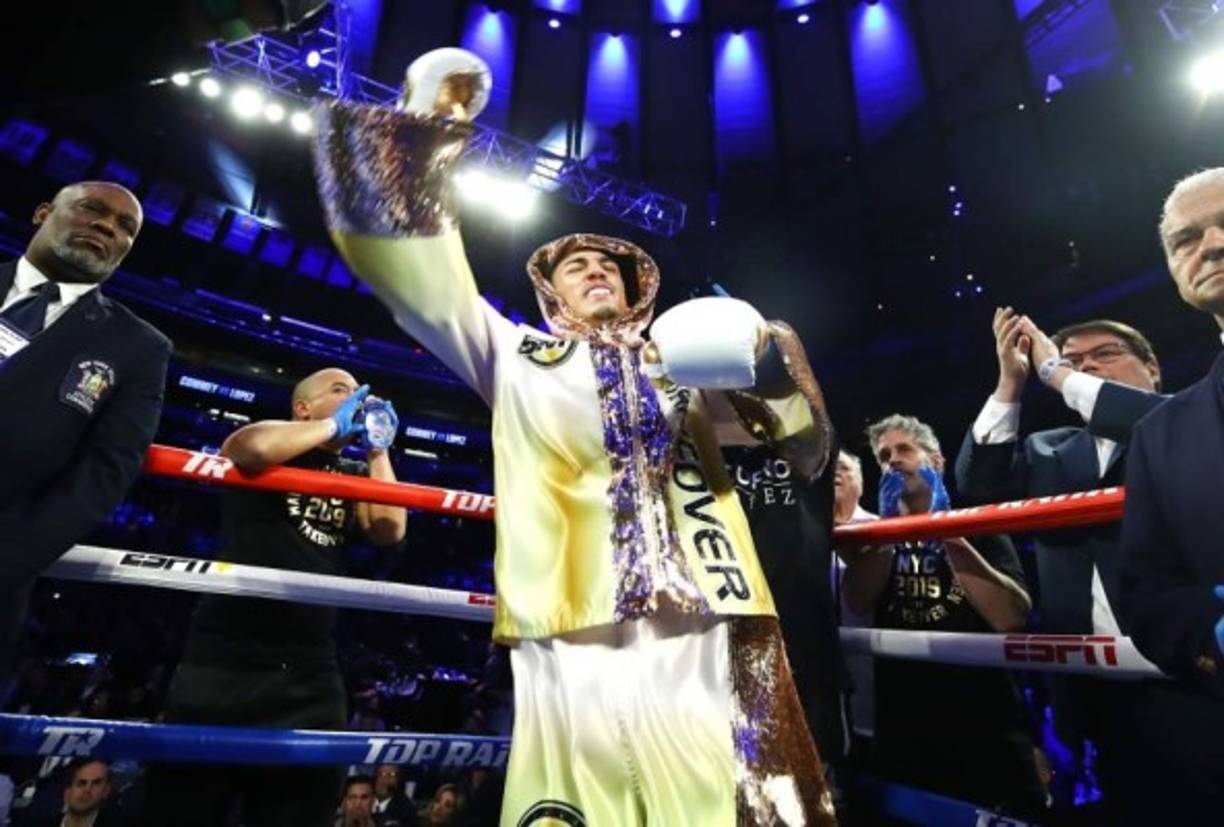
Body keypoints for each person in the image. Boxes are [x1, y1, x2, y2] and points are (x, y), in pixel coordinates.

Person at [312, 48, 837, 826]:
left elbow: (806, 450)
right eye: (576, 265)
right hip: (571, 608)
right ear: (549, 292)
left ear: (635, 290)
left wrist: (769, 360)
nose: (595, 270)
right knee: (579, 802)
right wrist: (425, 127)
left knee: (713, 802)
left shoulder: (686, 362)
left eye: (609, 266)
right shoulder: (516, 353)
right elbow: (418, 281)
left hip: (701, 608)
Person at [143, 368, 408, 827]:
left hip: (308, 669)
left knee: (301, 810)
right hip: (224, 660)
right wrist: (331, 427)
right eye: (341, 391)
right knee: (184, 807)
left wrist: (378, 446)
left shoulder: (352, 470)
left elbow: (389, 529)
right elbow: (250, 448)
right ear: (302, 407)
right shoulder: (267, 443)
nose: (357, 399)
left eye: (361, 395)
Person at [953, 312, 1165, 814]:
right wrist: (1012, 381)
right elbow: (977, 486)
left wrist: (1058, 372)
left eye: (1105, 354)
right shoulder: (1048, 449)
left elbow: (1150, 420)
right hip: (1084, 683)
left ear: (1152, 368)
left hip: (1187, 668)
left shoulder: (1182, 422)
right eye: (1074, 360)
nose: (1087, 367)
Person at [0, 182, 170, 683]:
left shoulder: (139, 346)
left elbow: (106, 472)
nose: (106, 227)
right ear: (43, 212)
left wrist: (8, 559)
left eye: (125, 228)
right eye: (93, 209)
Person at [842, 415, 1045, 819]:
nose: (892, 461)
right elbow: (858, 602)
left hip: (984, 725)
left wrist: (949, 532)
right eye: (884, 456)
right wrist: (886, 536)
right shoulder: (876, 536)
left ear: (936, 461)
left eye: (904, 450)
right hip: (905, 729)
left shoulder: (978, 520)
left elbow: (1010, 618)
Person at [1117, 166, 1224, 821]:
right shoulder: (1160, 434)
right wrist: (1212, 630)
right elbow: (1147, 593)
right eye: (1186, 238)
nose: (1210, 244)